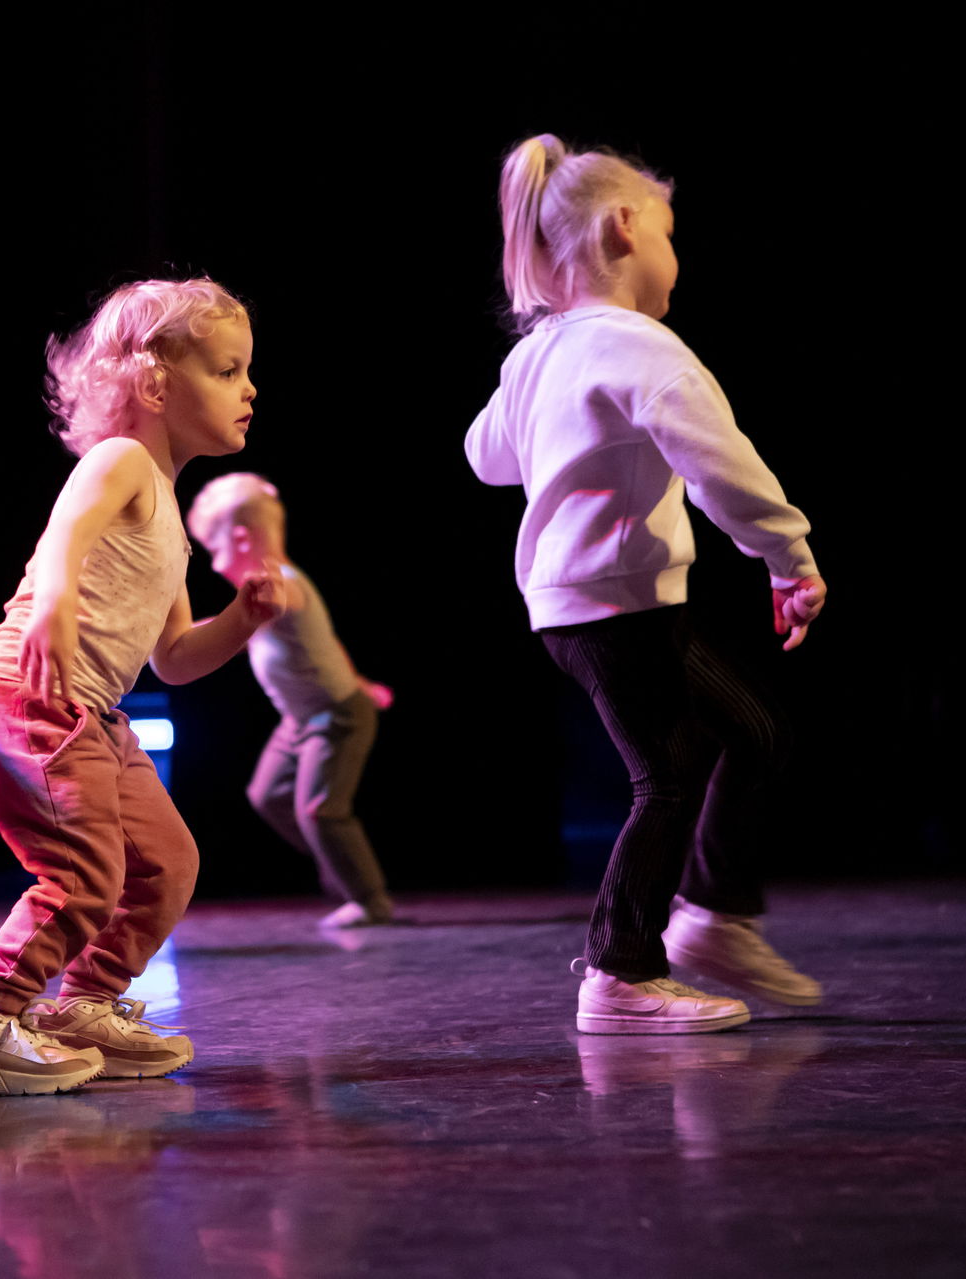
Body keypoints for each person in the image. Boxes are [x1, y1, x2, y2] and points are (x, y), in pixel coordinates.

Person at [465, 134, 827, 1035]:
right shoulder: (642, 348)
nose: (677, 257)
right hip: (615, 602)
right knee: (663, 781)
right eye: (671, 234)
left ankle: (714, 915)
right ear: (625, 227)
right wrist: (789, 557)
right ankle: (621, 970)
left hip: (587, 606)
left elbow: (485, 458)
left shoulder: (543, 352)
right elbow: (722, 469)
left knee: (752, 730)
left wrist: (543, 399)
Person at [0, 278, 282, 1097]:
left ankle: (86, 1003)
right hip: (30, 690)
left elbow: (177, 659)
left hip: (93, 711)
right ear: (157, 382)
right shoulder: (119, 460)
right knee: (86, 872)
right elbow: (64, 533)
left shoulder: (167, 513)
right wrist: (51, 604)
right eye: (228, 370)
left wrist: (245, 617)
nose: (249, 389)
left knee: (166, 862)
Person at [185, 472, 397, 928]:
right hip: (298, 719)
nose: (213, 561)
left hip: (336, 716)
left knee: (320, 809)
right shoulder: (261, 595)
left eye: (214, 548)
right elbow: (325, 641)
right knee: (267, 796)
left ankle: (370, 900)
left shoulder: (281, 584)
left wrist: (175, 635)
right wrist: (360, 678)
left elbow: (282, 602)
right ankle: (337, 863)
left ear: (241, 539)